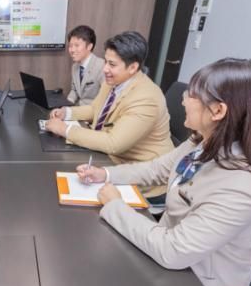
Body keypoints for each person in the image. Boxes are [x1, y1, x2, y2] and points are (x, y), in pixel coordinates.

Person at [77, 58, 251, 286]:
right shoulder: (204, 142)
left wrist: (115, 205)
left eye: (191, 95)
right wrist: (105, 173)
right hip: (168, 252)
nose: (183, 100)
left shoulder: (244, 186)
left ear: (218, 111)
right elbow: (156, 169)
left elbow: (173, 250)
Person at [46, 31, 174, 196]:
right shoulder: (114, 81)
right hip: (110, 158)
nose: (105, 69)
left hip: (138, 174)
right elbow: (95, 109)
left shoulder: (147, 98)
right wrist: (67, 113)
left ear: (133, 67)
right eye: (105, 61)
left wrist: (65, 130)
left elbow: (113, 143)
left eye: (112, 64)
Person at [66, 25, 105, 105]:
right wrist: (66, 105)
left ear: (89, 46)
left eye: (77, 45)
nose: (72, 50)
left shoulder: (102, 66)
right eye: (70, 46)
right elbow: (74, 90)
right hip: (77, 109)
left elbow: (104, 99)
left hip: (93, 110)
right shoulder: (75, 66)